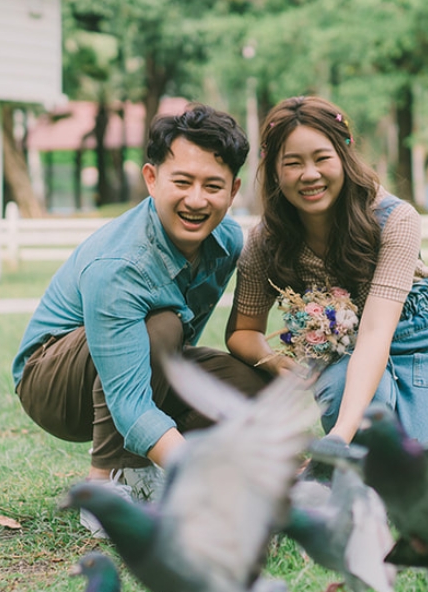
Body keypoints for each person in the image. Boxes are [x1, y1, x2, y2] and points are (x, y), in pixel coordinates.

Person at [13, 105, 265, 532]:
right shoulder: (118, 265)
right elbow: (130, 399)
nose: (196, 200)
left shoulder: (226, 241)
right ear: (151, 179)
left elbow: (176, 351)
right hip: (51, 381)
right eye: (182, 182)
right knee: (162, 324)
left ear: (234, 189)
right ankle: (108, 482)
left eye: (213, 186)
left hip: (147, 358)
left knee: (250, 386)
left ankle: (157, 460)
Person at [227, 95, 428, 448]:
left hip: (422, 341)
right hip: (343, 354)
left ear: (344, 156)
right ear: (274, 170)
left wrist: (340, 436)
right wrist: (273, 360)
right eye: (292, 163)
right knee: (374, 464)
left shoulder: (395, 220)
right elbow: (242, 331)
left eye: (322, 158)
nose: (309, 174)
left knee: (426, 474)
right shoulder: (266, 241)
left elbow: (375, 334)